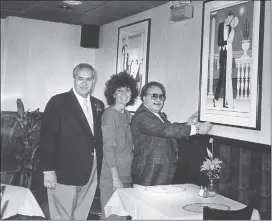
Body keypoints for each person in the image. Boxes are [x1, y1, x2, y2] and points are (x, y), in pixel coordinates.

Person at [39, 63, 105, 220]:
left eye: (88, 79)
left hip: (92, 168)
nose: (84, 83)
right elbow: (47, 137)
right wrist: (48, 171)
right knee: (62, 215)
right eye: (80, 78)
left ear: (93, 80)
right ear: (74, 79)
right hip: (64, 170)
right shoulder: (58, 102)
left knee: (81, 213)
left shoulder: (98, 104)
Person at [131, 81, 213, 186]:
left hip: (159, 174)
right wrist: (197, 130)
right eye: (154, 96)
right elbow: (166, 129)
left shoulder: (156, 115)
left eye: (161, 97)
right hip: (149, 175)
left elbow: (167, 130)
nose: (158, 100)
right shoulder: (142, 116)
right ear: (144, 98)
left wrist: (187, 124)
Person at [99, 71, 138, 219]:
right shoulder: (109, 115)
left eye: (127, 89)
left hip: (126, 173)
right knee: (112, 217)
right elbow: (108, 147)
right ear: (113, 94)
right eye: (119, 90)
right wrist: (115, 178)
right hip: (112, 175)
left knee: (122, 216)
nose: (124, 93)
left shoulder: (126, 114)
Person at [213, 11, 234, 108]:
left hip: (228, 51)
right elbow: (219, 40)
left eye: (232, 19)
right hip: (222, 51)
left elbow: (230, 40)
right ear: (227, 17)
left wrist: (226, 44)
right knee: (222, 75)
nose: (230, 20)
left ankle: (225, 102)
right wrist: (224, 44)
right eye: (230, 18)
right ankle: (215, 98)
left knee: (226, 76)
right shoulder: (221, 25)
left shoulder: (230, 28)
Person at [225, 16, 239, 109]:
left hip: (228, 52)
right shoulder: (228, 30)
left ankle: (230, 102)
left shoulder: (231, 31)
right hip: (226, 52)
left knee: (228, 78)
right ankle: (228, 101)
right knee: (226, 79)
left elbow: (228, 41)